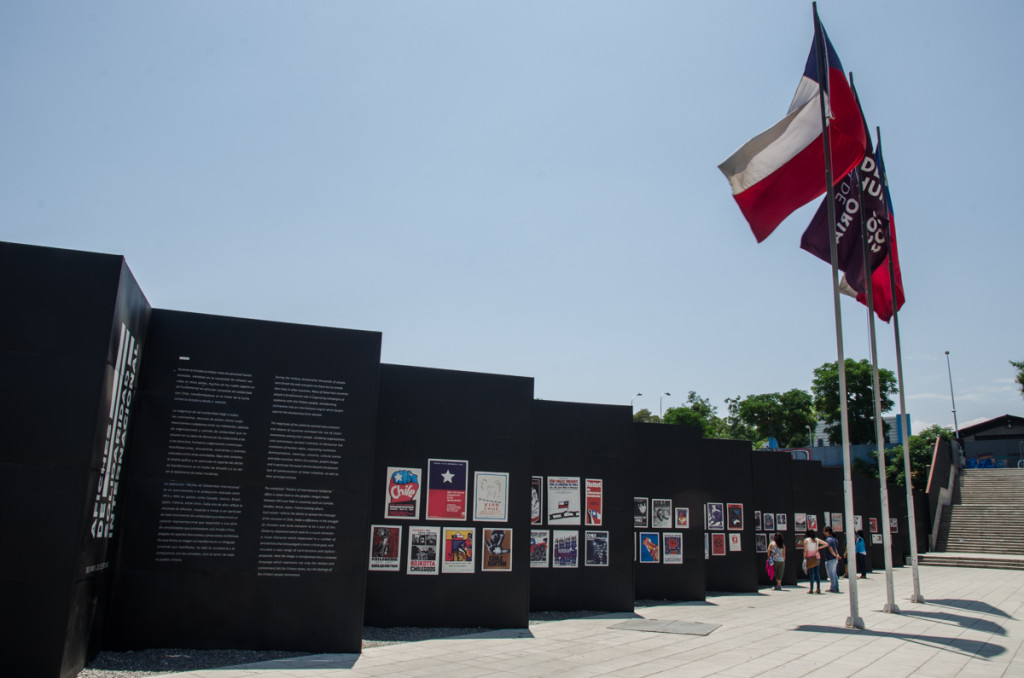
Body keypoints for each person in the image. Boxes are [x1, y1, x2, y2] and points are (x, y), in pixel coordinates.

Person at [801, 530, 828, 594]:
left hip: (810, 558)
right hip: (816, 557)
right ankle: (818, 588)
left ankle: (811, 589)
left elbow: (805, 550)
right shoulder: (817, 540)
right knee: (817, 573)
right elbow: (826, 544)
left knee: (811, 573)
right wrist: (818, 548)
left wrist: (804, 558)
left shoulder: (806, 540)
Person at [822, 526, 842, 593]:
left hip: (830, 559)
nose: (824, 533)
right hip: (834, 559)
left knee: (831, 574)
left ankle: (833, 588)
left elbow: (831, 549)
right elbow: (835, 549)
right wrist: (837, 555)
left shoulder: (828, 540)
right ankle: (836, 587)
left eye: (824, 531)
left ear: (828, 532)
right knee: (834, 574)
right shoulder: (835, 539)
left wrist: (835, 555)